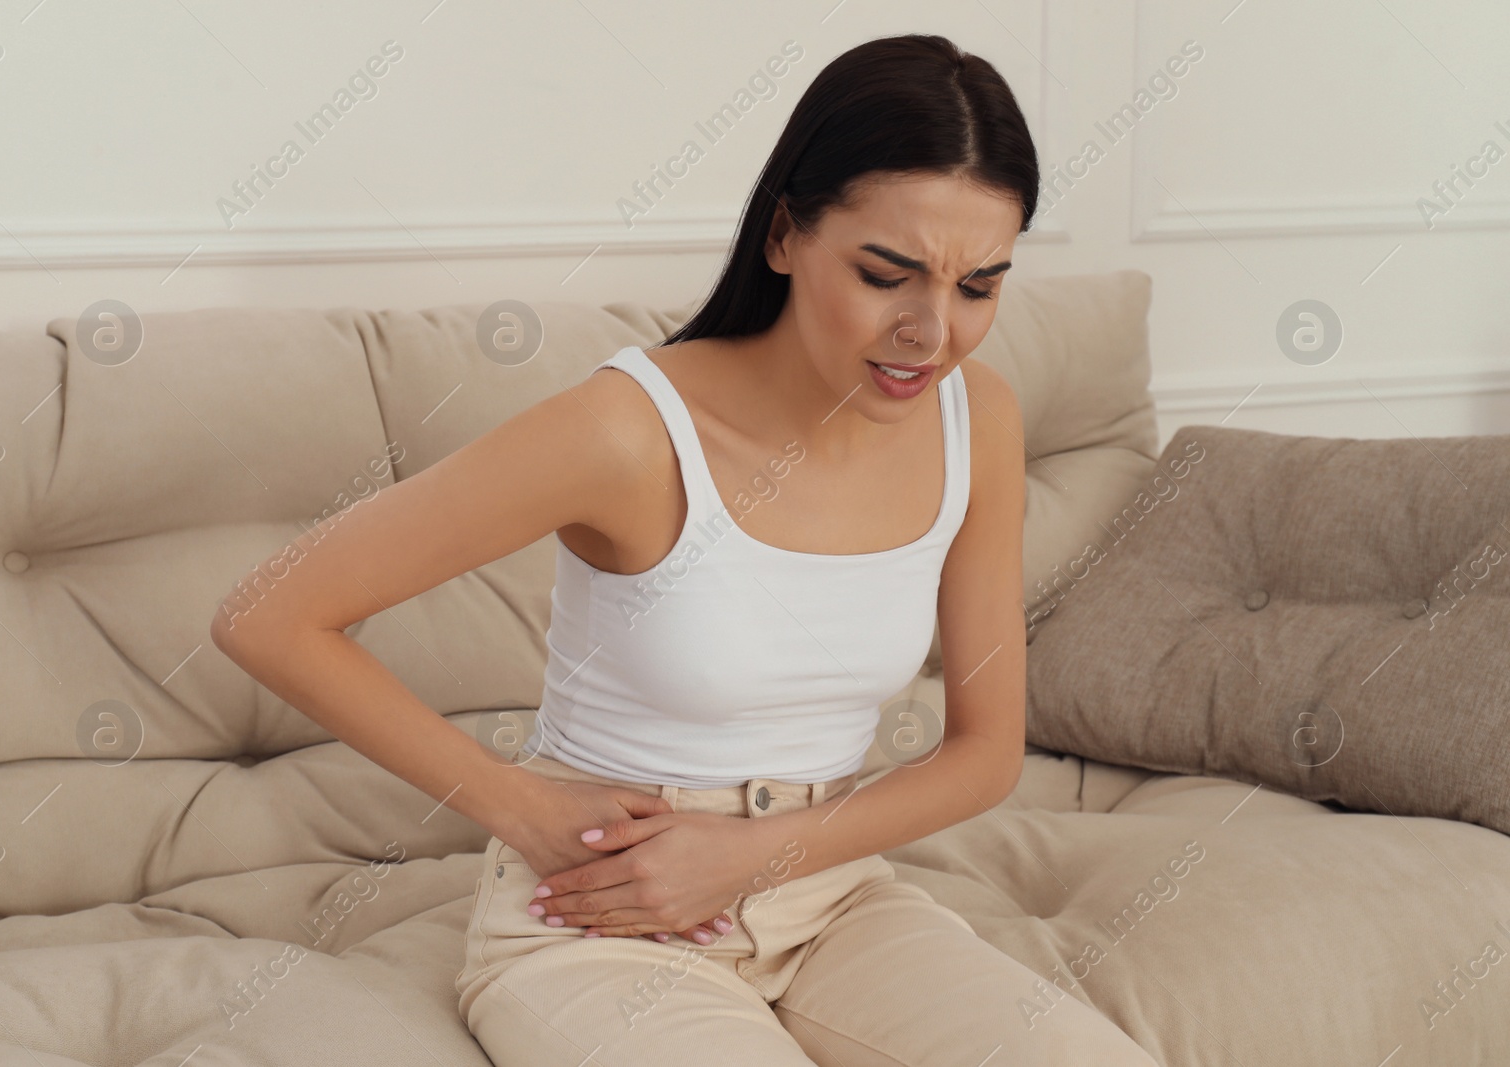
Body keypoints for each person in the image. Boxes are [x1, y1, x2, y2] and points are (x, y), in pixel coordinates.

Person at [212, 32, 1160, 1067]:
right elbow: (269, 612)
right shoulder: (627, 431)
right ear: (785, 235)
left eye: (979, 285)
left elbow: (984, 753)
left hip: (831, 896)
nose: (931, 334)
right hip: (603, 919)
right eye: (887, 274)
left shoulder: (979, 417)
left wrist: (757, 854)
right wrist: (523, 808)